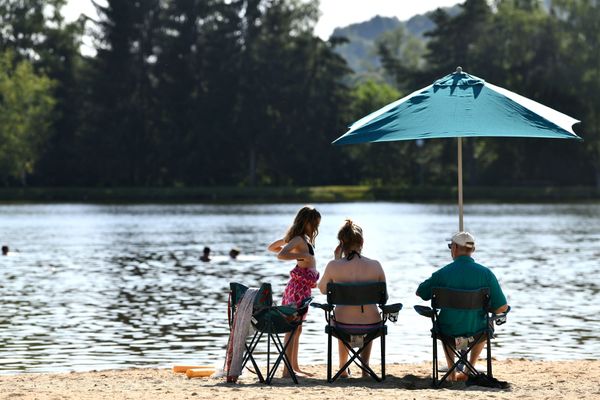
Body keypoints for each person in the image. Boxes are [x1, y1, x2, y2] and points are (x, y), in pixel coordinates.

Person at [416, 232, 509, 382]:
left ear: (455, 248)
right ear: (472, 250)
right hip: (477, 332)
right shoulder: (486, 274)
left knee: (444, 326)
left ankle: (451, 373)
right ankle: (468, 370)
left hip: (448, 332)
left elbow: (420, 292)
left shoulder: (442, 273)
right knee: (486, 323)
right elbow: (501, 307)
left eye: (450, 247)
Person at [317, 219, 386, 378]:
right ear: (361, 242)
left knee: (340, 316)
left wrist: (336, 260)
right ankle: (365, 368)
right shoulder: (376, 265)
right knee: (370, 315)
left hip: (342, 326)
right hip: (372, 326)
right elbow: (384, 298)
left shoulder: (333, 266)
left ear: (341, 243)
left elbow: (322, 289)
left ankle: (342, 366)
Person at [267, 205, 321, 378]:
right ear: (305, 222)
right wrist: (301, 257)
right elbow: (279, 254)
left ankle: (294, 367)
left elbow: (274, 247)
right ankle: (286, 370)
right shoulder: (298, 239)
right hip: (297, 290)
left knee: (297, 329)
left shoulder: (300, 239)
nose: (316, 228)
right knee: (291, 328)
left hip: (302, 290)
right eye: (314, 224)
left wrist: (293, 249)